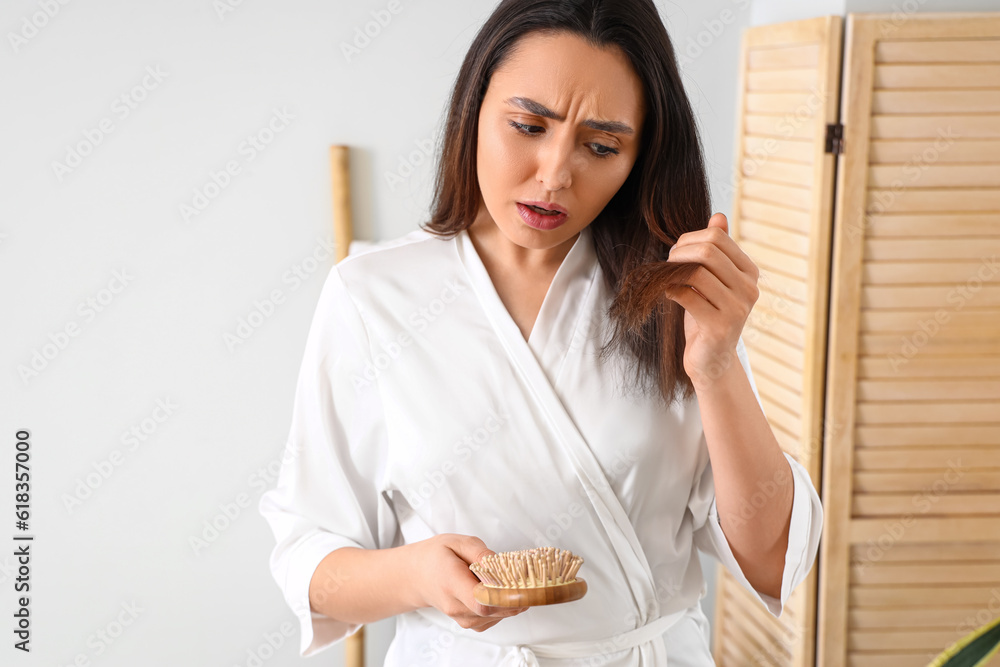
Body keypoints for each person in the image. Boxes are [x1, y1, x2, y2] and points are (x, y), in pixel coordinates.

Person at [258, 0, 824, 664]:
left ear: (640, 155)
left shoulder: (674, 294)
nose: (556, 173)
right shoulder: (372, 294)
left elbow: (771, 560)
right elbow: (308, 557)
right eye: (528, 125)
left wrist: (718, 364)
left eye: (601, 145)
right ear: (474, 107)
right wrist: (418, 574)